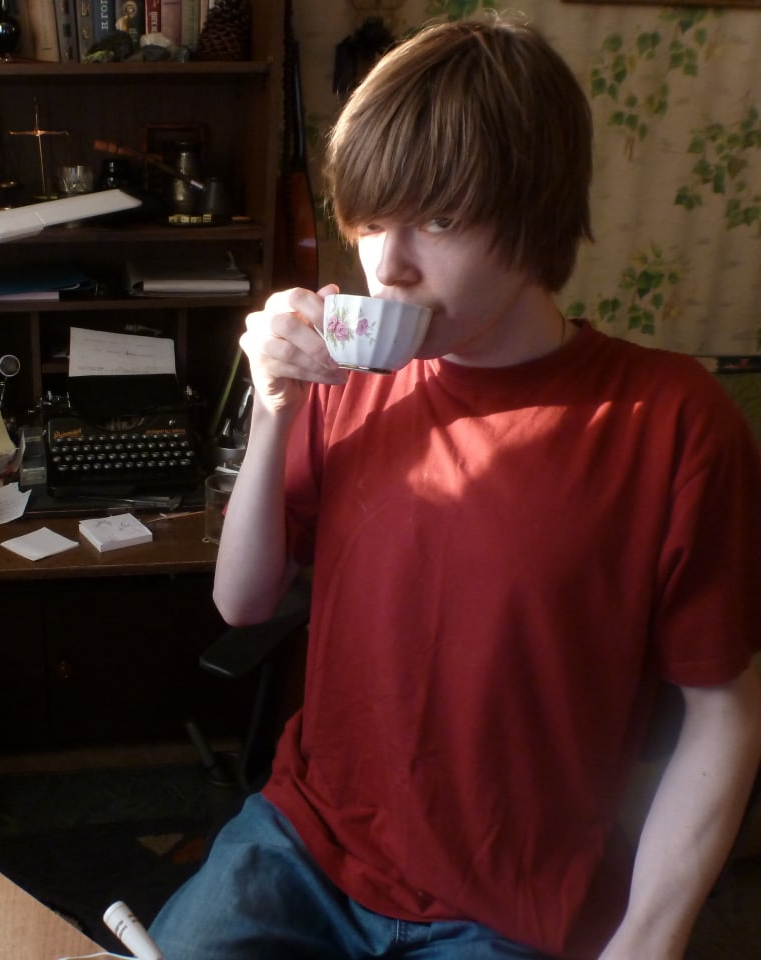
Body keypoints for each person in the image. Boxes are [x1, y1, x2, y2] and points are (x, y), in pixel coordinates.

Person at [149, 13, 761, 960]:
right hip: (308, 844)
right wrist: (273, 408)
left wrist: (650, 935)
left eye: (437, 220)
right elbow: (242, 603)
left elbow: (726, 711)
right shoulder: (349, 381)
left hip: (515, 900)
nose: (387, 267)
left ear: (533, 212)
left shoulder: (671, 422)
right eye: (370, 221)